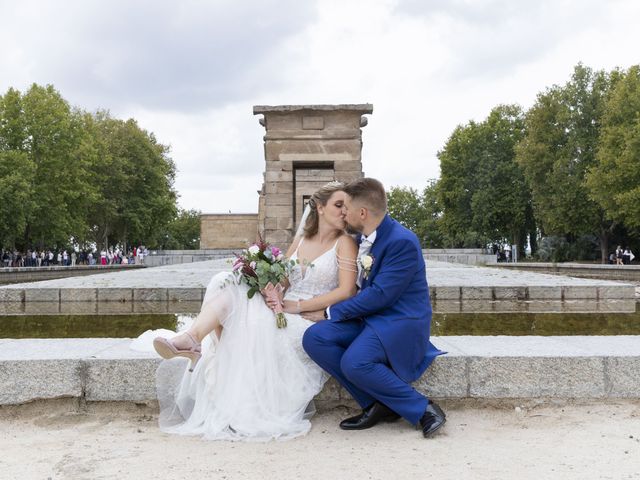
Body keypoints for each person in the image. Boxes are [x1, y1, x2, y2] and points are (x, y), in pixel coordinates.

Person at [147, 182, 358, 441]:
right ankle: (193, 338)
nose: (344, 212)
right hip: (281, 307)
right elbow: (284, 279)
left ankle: (197, 347)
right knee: (225, 281)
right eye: (338, 205)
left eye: (346, 207)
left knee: (251, 324)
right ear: (320, 207)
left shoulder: (345, 243)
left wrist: (297, 305)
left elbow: (347, 291)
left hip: (306, 318)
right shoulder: (301, 239)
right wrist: (271, 288)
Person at [302, 177, 446, 439]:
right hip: (370, 319)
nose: (343, 212)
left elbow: (381, 296)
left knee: (355, 362)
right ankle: (376, 404)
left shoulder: (402, 241)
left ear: (362, 212)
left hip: (398, 322)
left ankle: (424, 408)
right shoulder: (361, 238)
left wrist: (328, 312)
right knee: (315, 337)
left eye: (346, 207)